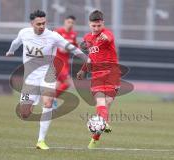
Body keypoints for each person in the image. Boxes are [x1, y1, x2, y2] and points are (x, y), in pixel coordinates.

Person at [6, 10, 87, 150]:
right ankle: (33, 103)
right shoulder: (24, 33)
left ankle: (41, 141)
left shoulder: (53, 36)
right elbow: (16, 43)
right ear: (32, 24)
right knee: (25, 114)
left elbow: (71, 48)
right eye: (39, 24)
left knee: (48, 101)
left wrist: (87, 59)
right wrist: (11, 51)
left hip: (48, 73)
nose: (42, 26)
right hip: (30, 77)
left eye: (44, 23)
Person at [77, 10, 121, 149]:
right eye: (93, 26)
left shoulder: (107, 34)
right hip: (97, 75)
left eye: (99, 25)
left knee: (106, 104)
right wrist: (83, 69)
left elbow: (107, 39)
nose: (96, 28)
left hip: (111, 74)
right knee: (101, 101)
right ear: (89, 24)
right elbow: (90, 56)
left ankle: (94, 140)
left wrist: (101, 38)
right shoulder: (87, 37)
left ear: (103, 23)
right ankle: (101, 127)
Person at [54, 15, 78, 98]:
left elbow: (75, 47)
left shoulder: (73, 34)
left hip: (66, 62)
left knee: (59, 83)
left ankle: (51, 101)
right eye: (69, 22)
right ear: (65, 22)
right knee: (67, 83)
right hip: (57, 61)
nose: (70, 24)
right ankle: (52, 98)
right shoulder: (58, 32)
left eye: (72, 23)